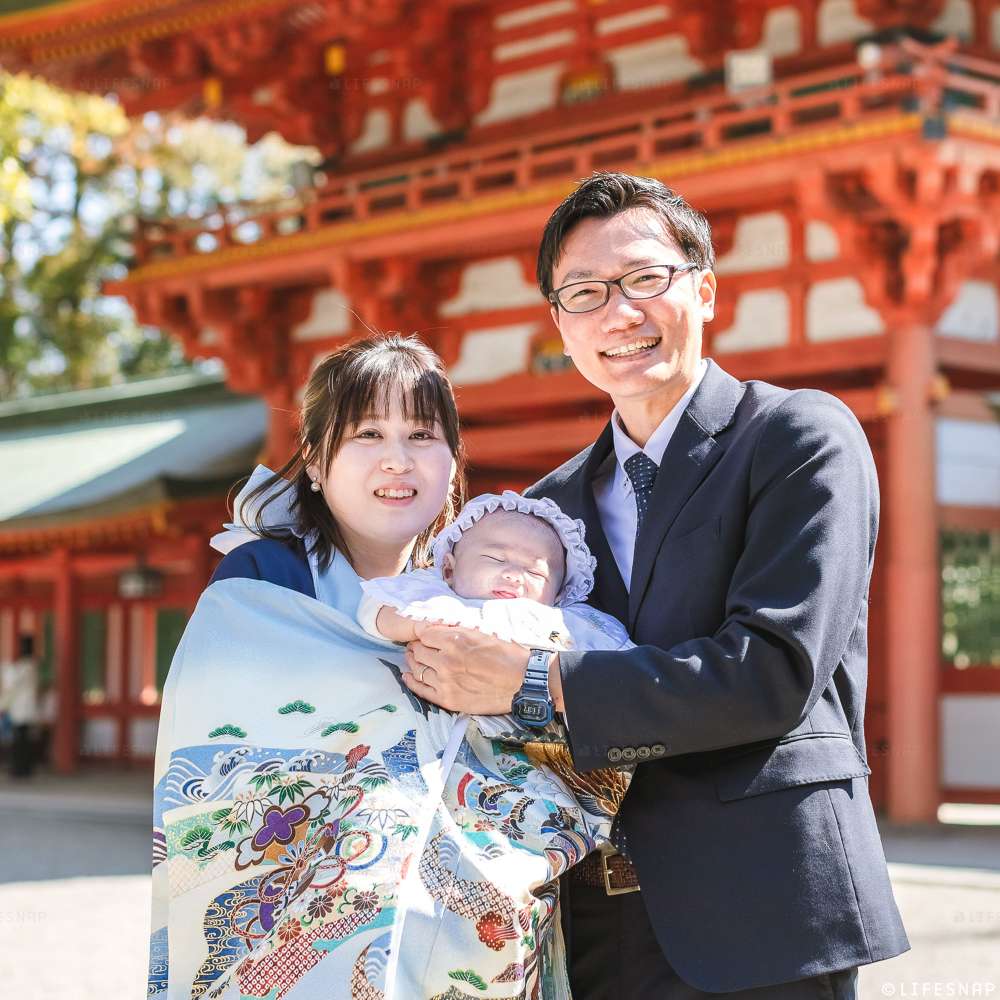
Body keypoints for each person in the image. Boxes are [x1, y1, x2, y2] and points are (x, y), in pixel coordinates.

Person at [402, 172, 910, 999]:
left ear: (704, 289)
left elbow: (771, 672)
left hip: (758, 906)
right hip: (589, 921)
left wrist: (539, 683)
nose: (620, 313)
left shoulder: (798, 436)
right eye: (587, 293)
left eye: (645, 280)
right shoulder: (546, 510)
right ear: (560, 323)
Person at [149, 335, 625, 1000]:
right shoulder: (264, 580)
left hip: (481, 944)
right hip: (300, 943)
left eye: (423, 434)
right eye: (367, 433)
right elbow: (220, 774)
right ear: (314, 459)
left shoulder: (483, 597)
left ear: (453, 461)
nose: (398, 460)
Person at [357, 489, 633, 655]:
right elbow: (376, 607)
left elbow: (617, 663)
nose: (514, 575)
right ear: (450, 569)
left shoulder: (566, 621)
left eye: (536, 573)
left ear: (560, 593)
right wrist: (419, 626)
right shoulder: (437, 597)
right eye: (496, 559)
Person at [0, 635, 40, 779]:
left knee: (20, 741)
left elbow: (11, 682)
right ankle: (23, 768)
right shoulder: (30, 666)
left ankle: (20, 769)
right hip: (24, 709)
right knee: (22, 740)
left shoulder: (25, 666)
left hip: (22, 710)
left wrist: (4, 667)